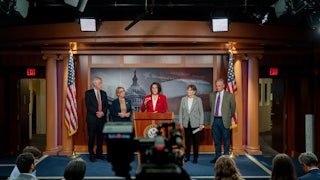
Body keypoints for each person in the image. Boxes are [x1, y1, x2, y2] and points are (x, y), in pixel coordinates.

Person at [209, 78, 236, 163]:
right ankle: (217, 157)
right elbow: (211, 106)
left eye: (219, 85)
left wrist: (227, 117)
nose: (218, 87)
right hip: (215, 120)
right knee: (216, 140)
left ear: (224, 86)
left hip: (224, 120)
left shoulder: (230, 95)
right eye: (216, 86)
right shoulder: (212, 95)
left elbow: (233, 108)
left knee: (226, 140)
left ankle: (226, 158)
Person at [179, 84, 204, 164]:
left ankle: (195, 157)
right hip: (186, 124)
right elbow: (180, 112)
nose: (188, 91)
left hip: (196, 124)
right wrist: (181, 123)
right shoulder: (183, 99)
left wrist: (201, 123)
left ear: (194, 91)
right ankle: (187, 156)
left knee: (196, 141)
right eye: (188, 90)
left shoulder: (198, 100)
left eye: (190, 90)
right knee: (187, 142)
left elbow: (201, 112)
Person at [85, 76, 109, 162]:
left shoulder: (104, 93)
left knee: (100, 137)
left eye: (101, 83)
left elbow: (106, 105)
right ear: (94, 84)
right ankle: (91, 154)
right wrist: (97, 112)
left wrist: (102, 112)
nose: (101, 85)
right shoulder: (88, 93)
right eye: (100, 83)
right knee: (91, 137)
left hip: (102, 119)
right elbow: (88, 105)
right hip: (92, 119)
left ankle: (99, 153)